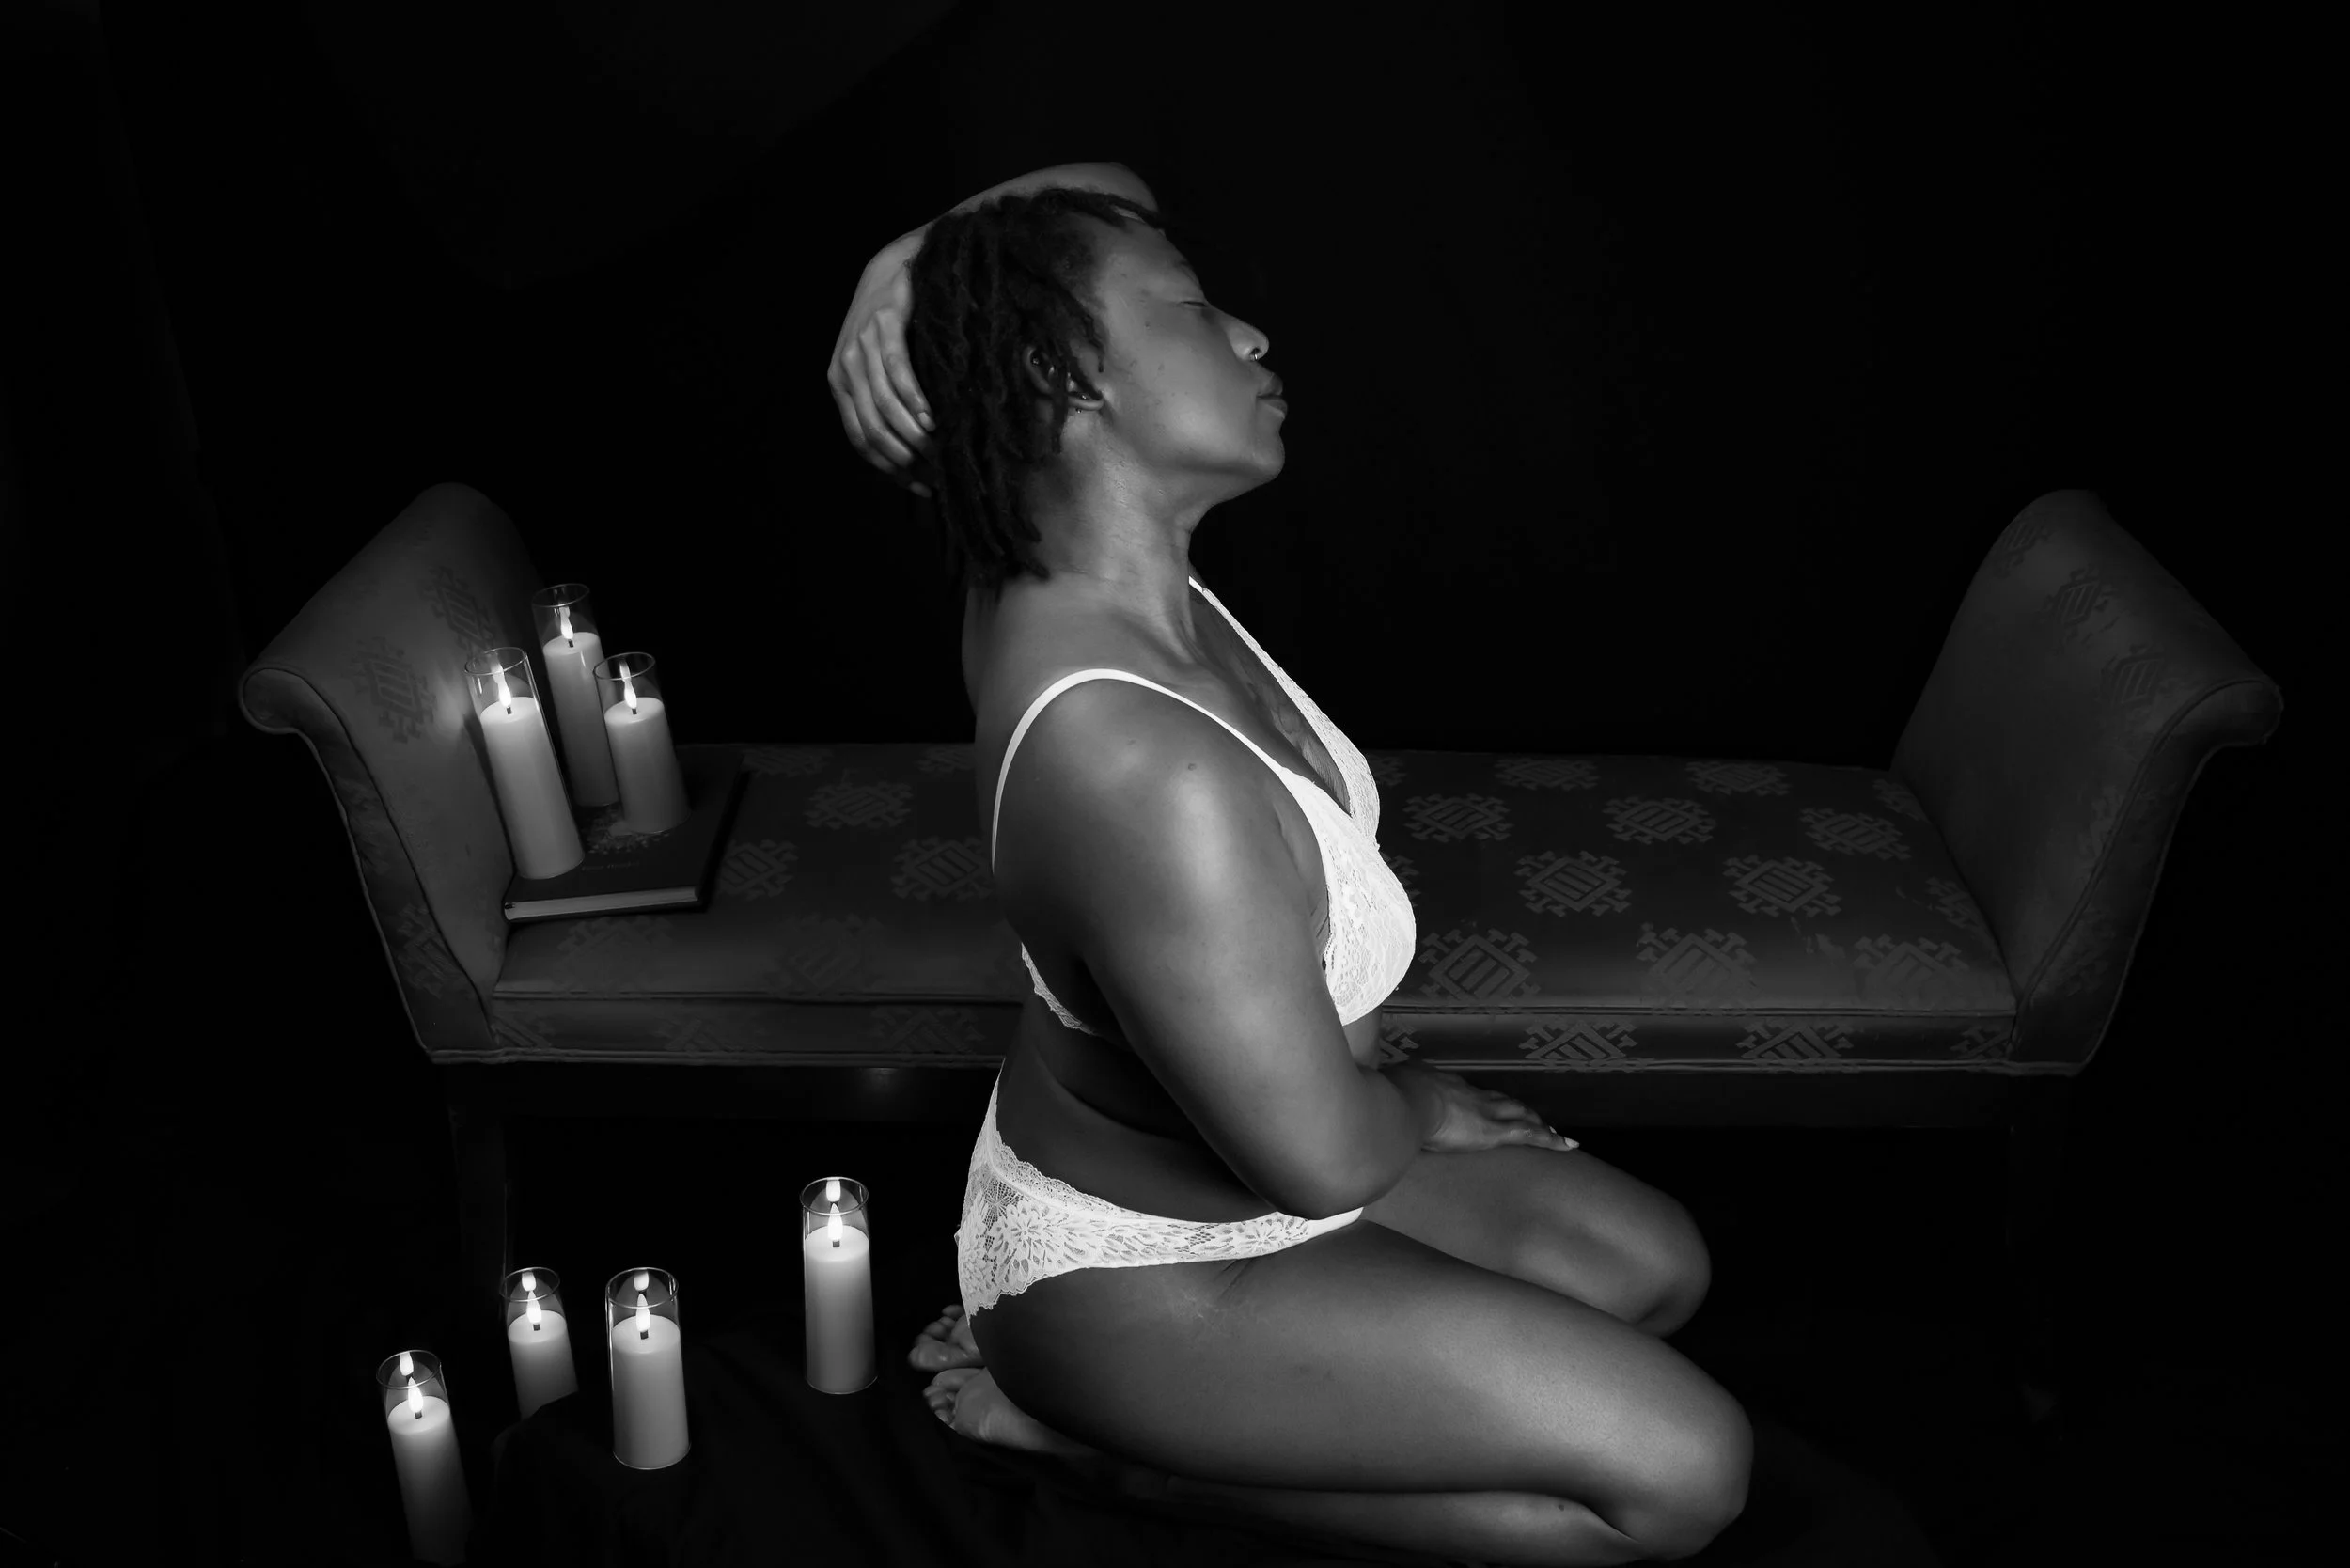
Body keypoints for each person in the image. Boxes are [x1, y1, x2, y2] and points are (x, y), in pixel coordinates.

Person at [825, 162, 1750, 1564]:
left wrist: (904, 264)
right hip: (1138, 1275)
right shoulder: (1139, 767)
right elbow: (1324, 1158)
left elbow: (1102, 191)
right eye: (1195, 311)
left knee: (1656, 1265)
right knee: (1689, 1479)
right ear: (1060, 374)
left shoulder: (1056, 553)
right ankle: (1100, 1450)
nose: (1253, 336)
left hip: (1248, 1168)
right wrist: (1423, 1101)